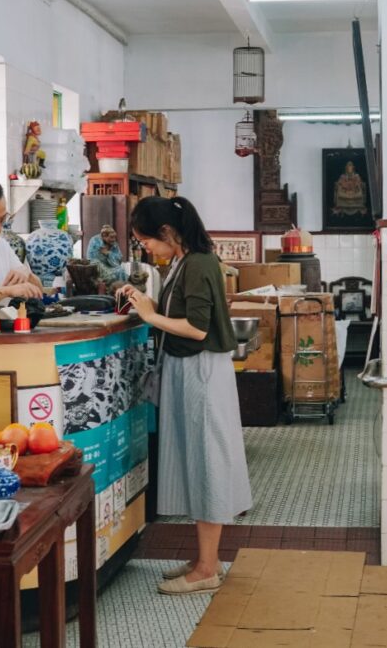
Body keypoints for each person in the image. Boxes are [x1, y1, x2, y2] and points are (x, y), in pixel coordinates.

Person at [117, 196, 252, 596]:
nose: (147, 250)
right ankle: (202, 559)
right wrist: (146, 304)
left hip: (201, 371)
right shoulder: (182, 262)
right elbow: (180, 314)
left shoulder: (199, 263)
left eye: (146, 242)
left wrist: (149, 316)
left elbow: (195, 327)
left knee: (207, 461)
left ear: (167, 233)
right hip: (189, 370)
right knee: (196, 459)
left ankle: (208, 567)